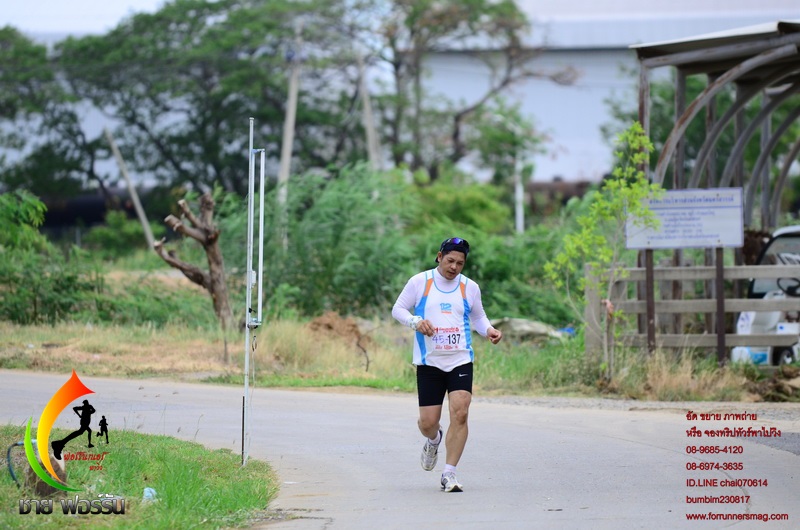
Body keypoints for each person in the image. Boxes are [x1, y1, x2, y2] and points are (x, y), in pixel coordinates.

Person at [392, 237, 502, 492]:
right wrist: (416, 322)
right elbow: (398, 309)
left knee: (461, 412)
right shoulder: (420, 282)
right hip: (430, 362)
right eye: (450, 260)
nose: (454, 267)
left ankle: (449, 473)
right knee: (427, 423)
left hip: (460, 359)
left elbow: (478, 316)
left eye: (460, 263)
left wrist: (489, 330)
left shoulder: (470, 287)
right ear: (439, 256)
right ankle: (433, 440)